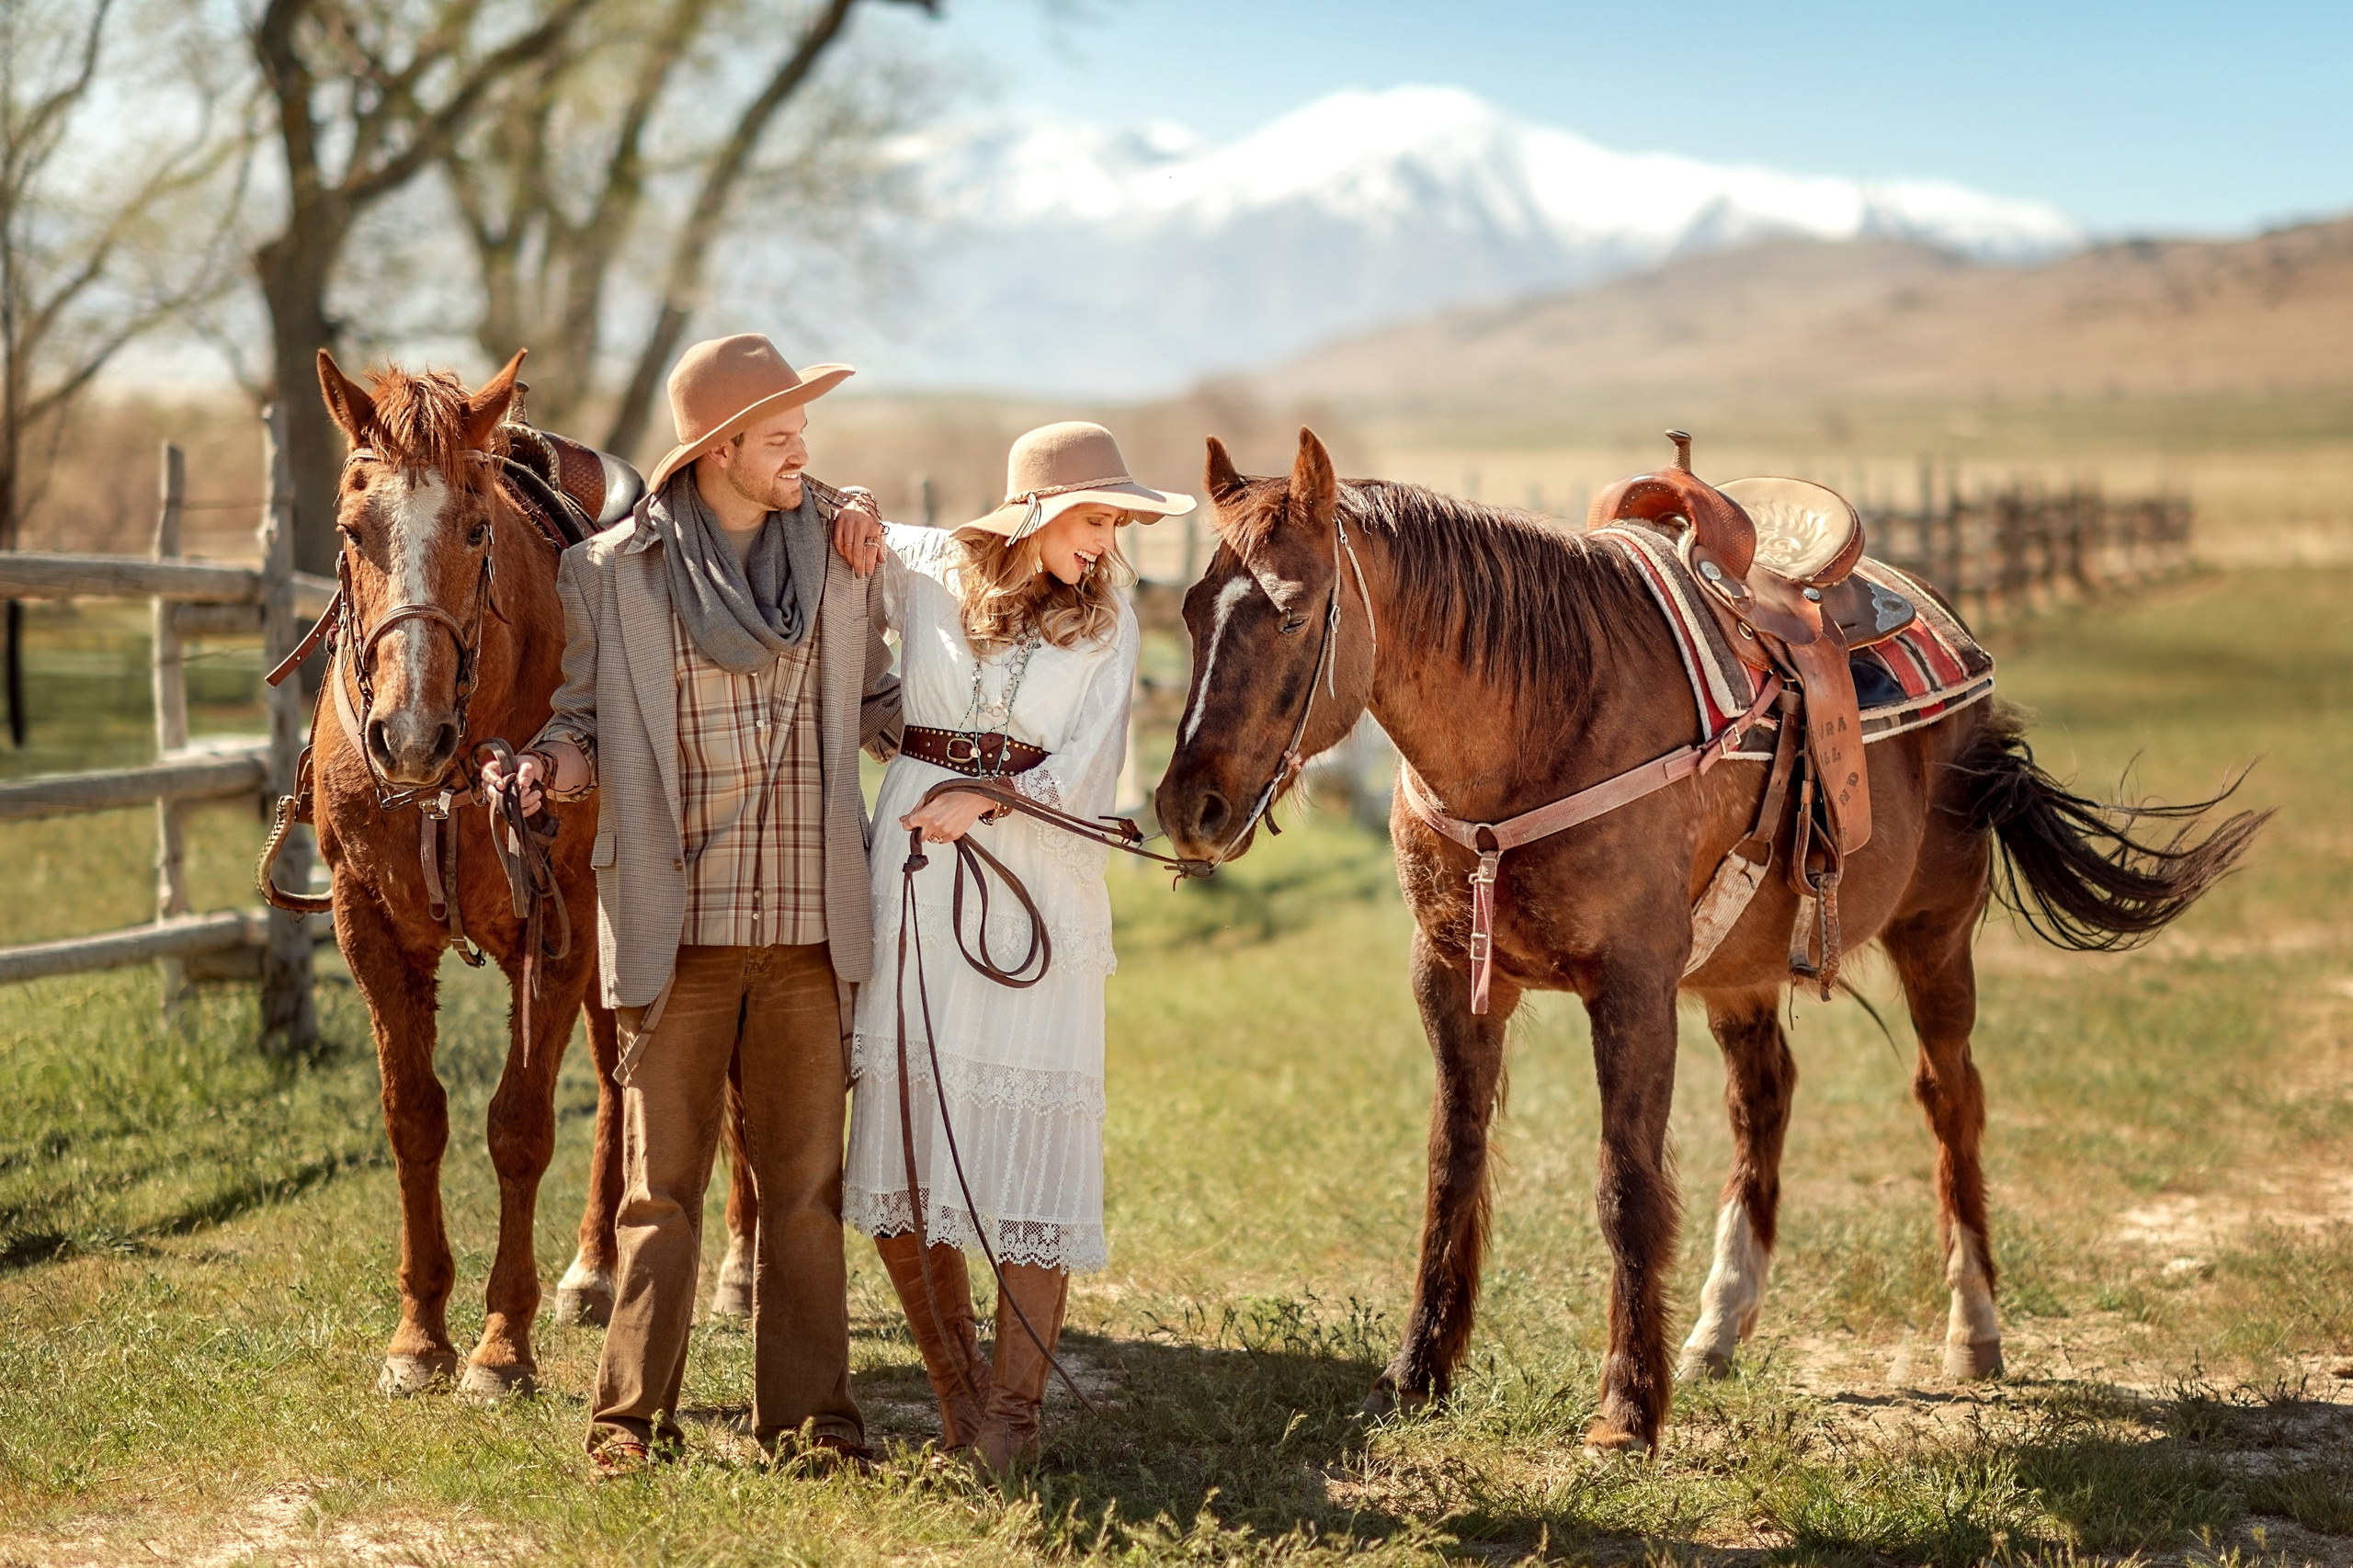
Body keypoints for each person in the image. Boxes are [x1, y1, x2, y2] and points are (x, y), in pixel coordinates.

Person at [483, 334, 902, 1475]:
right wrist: (545, 769)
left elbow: (886, 708)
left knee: (806, 1193)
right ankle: (627, 1421)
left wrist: (980, 765)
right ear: (718, 448)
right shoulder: (610, 575)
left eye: (803, 436)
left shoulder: (847, 556)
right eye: (781, 437)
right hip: (678, 926)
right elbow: (581, 727)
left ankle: (812, 1424)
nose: (802, 454)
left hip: (815, 930)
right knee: (658, 1193)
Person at [840, 421, 1194, 1471]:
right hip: (910, 867)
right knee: (905, 1127)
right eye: (1095, 518)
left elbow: (1089, 767)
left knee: (1031, 1136)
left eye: (1119, 524)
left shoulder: (1111, 620)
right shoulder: (928, 567)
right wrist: (853, 500)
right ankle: (951, 1391)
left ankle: (1012, 1418)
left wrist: (987, 800)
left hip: (1036, 876)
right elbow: (827, 510)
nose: (1108, 543)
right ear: (1036, 510)